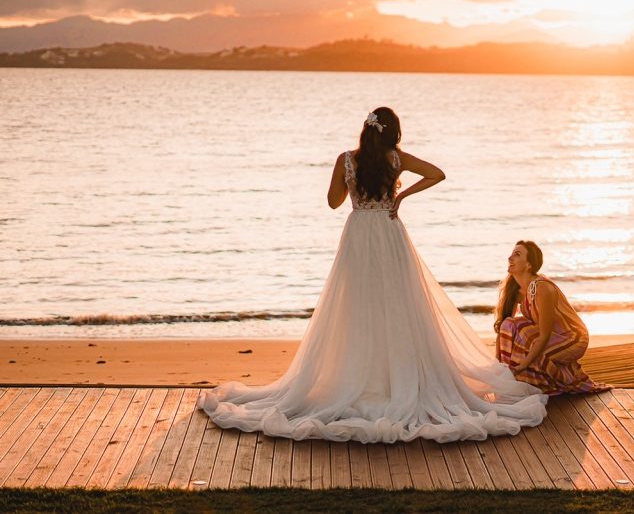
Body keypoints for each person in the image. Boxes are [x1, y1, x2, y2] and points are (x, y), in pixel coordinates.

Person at [198, 107, 547, 443]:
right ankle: (394, 379)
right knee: (398, 306)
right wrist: (401, 195)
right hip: (389, 228)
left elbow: (334, 202)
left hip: (358, 233)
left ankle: (360, 378)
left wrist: (348, 185)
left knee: (356, 308)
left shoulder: (347, 159)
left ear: (365, 129)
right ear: (392, 132)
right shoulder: (397, 159)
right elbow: (437, 173)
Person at [495, 240, 611, 395]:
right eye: (511, 254)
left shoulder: (541, 288)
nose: (510, 258)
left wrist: (522, 366)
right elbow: (504, 330)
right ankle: (519, 380)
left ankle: (558, 381)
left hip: (573, 338)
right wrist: (498, 367)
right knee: (510, 325)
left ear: (529, 265)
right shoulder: (517, 291)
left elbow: (544, 336)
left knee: (532, 348)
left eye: (517, 254)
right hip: (551, 338)